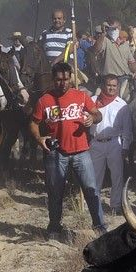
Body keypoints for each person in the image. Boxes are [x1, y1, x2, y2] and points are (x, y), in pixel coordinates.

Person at [29, 62, 107, 239]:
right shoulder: (44, 100)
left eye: (65, 79)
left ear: (71, 78)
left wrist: (92, 119)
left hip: (81, 151)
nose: (62, 83)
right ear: (53, 79)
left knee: (91, 189)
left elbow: (98, 114)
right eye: (58, 80)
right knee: (55, 192)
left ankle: (100, 226)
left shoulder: (81, 96)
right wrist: (39, 138)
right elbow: (33, 122)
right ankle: (54, 228)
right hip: (56, 153)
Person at [89, 75, 132, 214]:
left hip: (114, 143)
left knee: (117, 175)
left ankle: (116, 205)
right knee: (95, 176)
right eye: (109, 85)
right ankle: (94, 205)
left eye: (114, 86)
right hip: (96, 143)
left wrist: (125, 147)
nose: (111, 88)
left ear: (117, 87)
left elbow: (127, 128)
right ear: (103, 85)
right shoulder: (93, 101)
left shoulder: (122, 105)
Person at [93, 18, 136, 99]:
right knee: (97, 98)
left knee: (126, 98)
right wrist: (103, 33)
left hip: (124, 78)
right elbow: (96, 49)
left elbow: (131, 62)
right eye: (110, 28)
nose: (113, 31)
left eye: (115, 28)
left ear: (120, 28)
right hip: (107, 79)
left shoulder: (125, 43)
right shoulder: (104, 40)